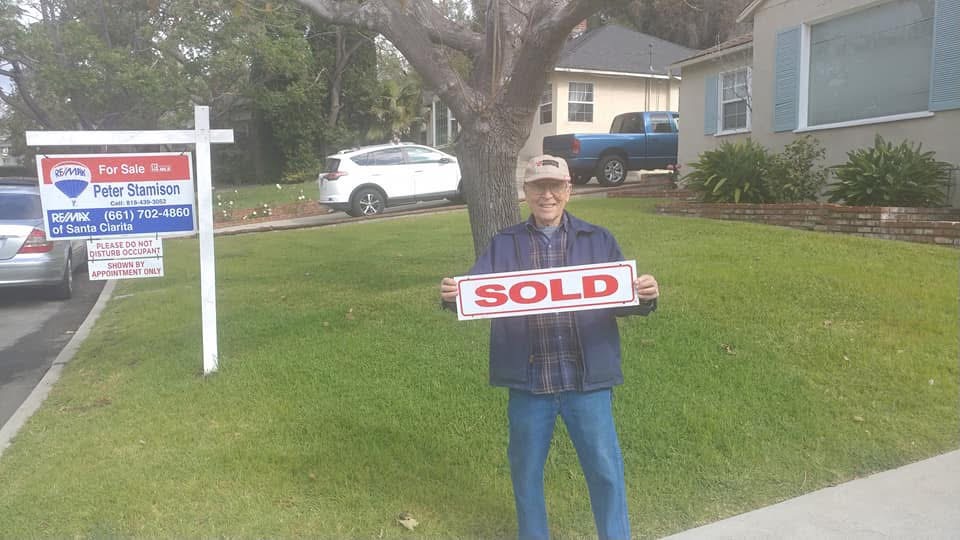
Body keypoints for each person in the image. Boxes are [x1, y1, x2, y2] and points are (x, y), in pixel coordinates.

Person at [439, 155, 659, 540]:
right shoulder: (504, 244)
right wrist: (452, 295)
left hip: (586, 382)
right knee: (526, 477)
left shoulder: (598, 239)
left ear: (568, 190)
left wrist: (644, 295)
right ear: (525, 192)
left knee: (606, 473)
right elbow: (475, 294)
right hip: (529, 384)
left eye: (555, 186)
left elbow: (622, 298)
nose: (547, 195)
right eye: (538, 187)